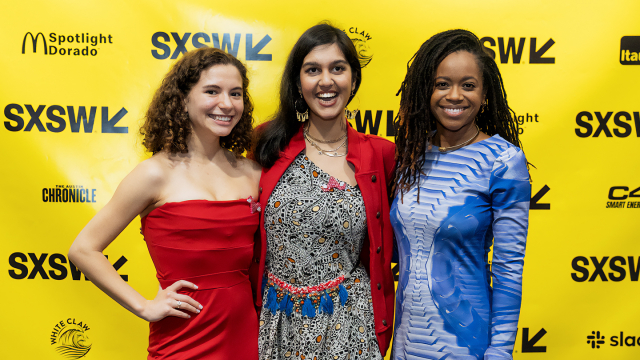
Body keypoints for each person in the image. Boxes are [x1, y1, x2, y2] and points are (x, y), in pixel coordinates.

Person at [68, 47, 261, 360]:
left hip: (246, 337)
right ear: (183, 100)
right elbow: (83, 249)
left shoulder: (253, 173)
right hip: (182, 340)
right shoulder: (153, 174)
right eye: (212, 91)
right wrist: (144, 306)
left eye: (236, 93)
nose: (226, 103)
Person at [251, 23, 395, 360]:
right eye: (313, 70)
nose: (326, 81)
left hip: (350, 326)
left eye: (338, 68)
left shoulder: (380, 154)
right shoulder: (267, 143)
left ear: (354, 80)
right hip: (277, 323)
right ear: (298, 82)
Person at [391, 29, 531, 360]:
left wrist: (500, 351)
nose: (455, 96)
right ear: (426, 90)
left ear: (485, 95)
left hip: (467, 345)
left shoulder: (503, 160)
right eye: (442, 84)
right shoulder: (411, 155)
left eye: (468, 85)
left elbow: (509, 269)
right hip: (406, 343)